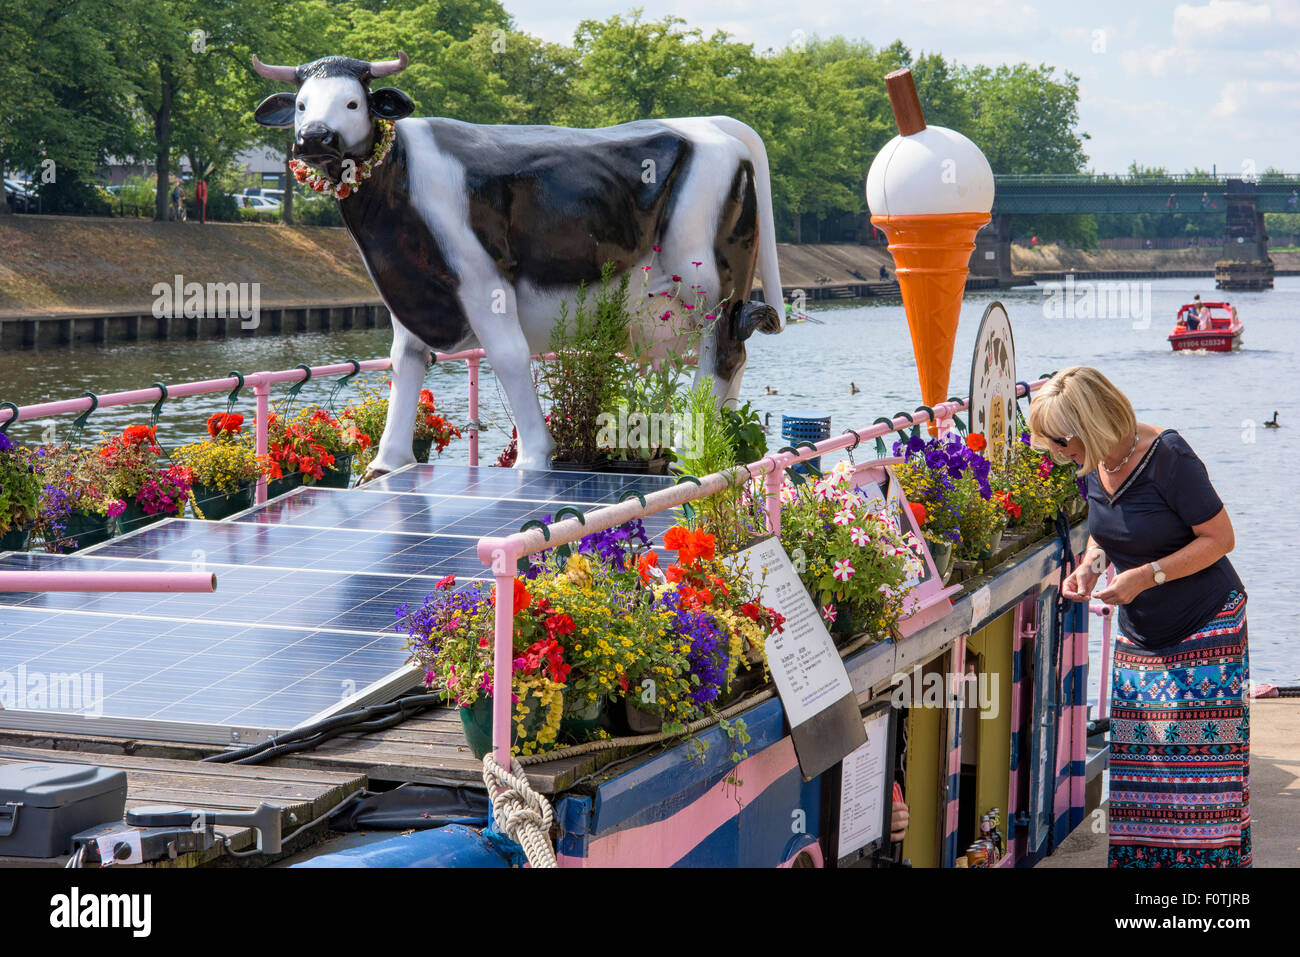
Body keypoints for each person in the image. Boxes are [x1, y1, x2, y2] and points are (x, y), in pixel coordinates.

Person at [1028, 367, 1248, 868]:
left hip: (1206, 628)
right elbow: (1109, 529)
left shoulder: (1169, 457)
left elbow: (1220, 539)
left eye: (1062, 441)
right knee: (1141, 781)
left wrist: (1145, 577)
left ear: (1090, 421)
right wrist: (1089, 567)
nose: (1059, 453)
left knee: (1200, 785)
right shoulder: (1098, 463)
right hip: (1140, 636)